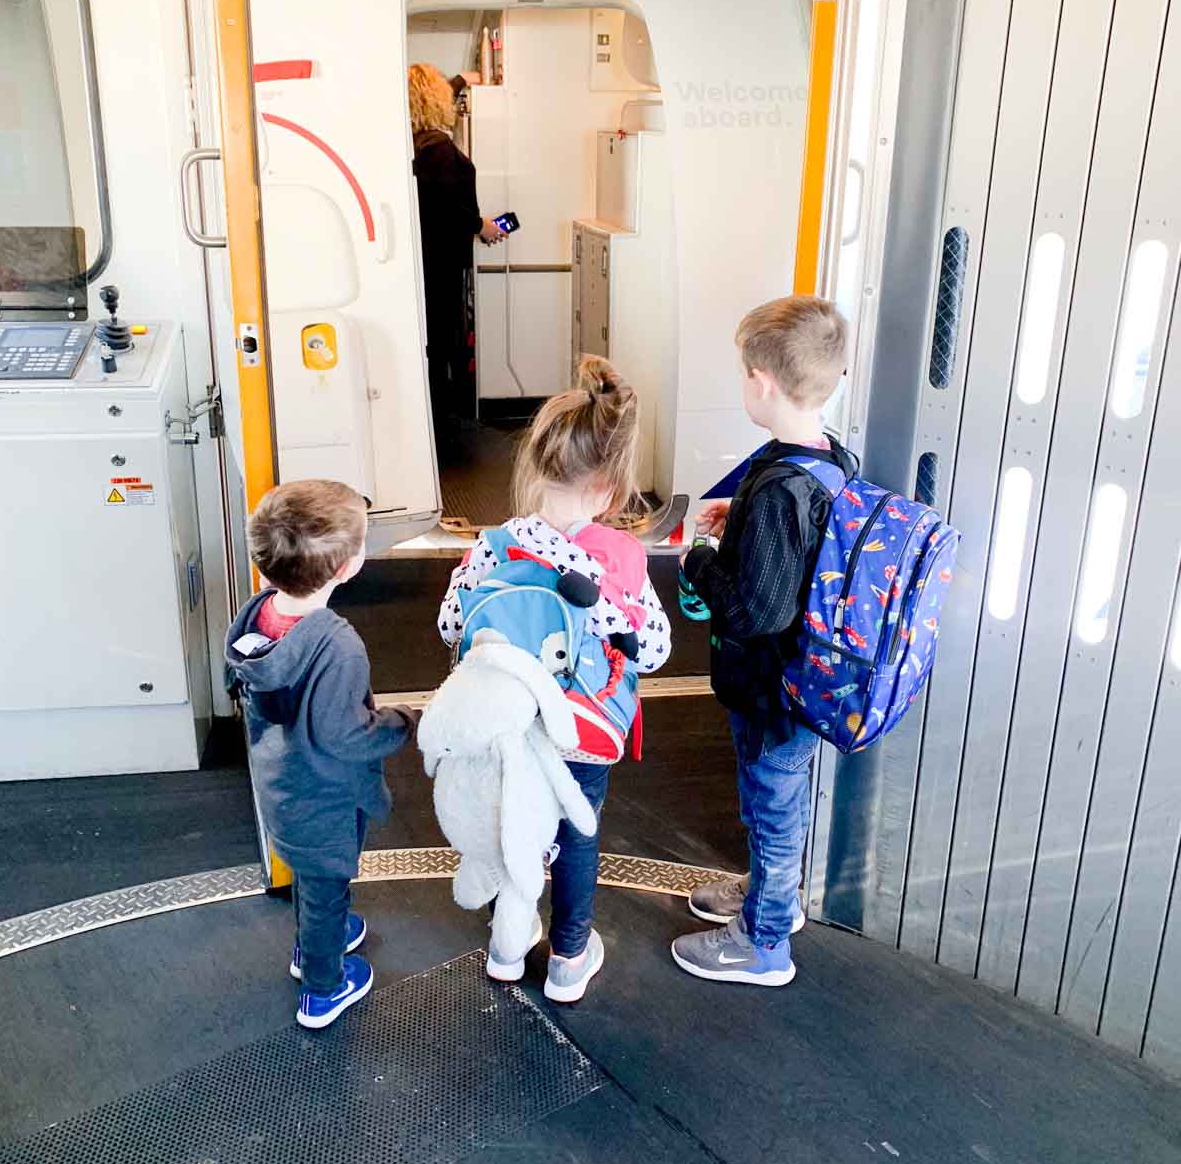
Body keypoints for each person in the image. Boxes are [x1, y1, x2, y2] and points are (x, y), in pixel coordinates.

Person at [435, 356, 672, 1002]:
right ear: (611, 489)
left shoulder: (495, 544)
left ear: (536, 466)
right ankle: (569, 957)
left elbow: (451, 621)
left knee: (510, 823)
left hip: (507, 727)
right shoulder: (620, 557)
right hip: (580, 733)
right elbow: (653, 650)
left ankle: (506, 948)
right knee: (575, 835)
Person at [670, 296, 852, 988]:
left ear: (763, 383)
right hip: (801, 680)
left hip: (773, 689)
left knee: (772, 806)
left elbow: (755, 609)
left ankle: (765, 942)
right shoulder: (828, 457)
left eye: (744, 373)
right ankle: (769, 895)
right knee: (771, 798)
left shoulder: (779, 487)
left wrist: (700, 561)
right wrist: (740, 518)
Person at [225, 480, 417, 1030]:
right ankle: (323, 986)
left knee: (311, 875)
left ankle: (312, 943)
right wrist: (403, 723)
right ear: (346, 567)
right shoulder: (336, 645)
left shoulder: (255, 618)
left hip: (280, 782)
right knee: (326, 882)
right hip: (326, 793)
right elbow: (346, 735)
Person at [408, 62, 503, 445]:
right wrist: (481, 225)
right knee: (441, 347)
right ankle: (439, 434)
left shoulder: (418, 144)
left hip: (427, 261)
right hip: (442, 265)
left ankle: (434, 428)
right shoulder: (440, 150)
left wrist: (463, 79)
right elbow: (448, 207)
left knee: (432, 343)